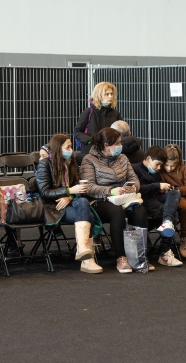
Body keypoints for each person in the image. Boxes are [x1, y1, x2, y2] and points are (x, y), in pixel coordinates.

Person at [80, 128, 149, 273]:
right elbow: (89, 187)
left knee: (140, 210)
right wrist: (110, 190)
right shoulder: (89, 160)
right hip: (99, 200)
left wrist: (133, 187)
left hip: (123, 196)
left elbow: (134, 179)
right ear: (106, 145)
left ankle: (138, 257)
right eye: (117, 143)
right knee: (117, 213)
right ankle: (121, 257)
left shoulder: (123, 158)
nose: (120, 146)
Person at [35, 133, 102, 274]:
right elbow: (45, 193)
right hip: (53, 206)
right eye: (68, 147)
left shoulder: (71, 162)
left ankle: (83, 250)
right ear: (58, 149)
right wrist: (69, 190)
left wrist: (69, 196)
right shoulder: (44, 164)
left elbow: (78, 188)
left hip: (70, 202)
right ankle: (87, 259)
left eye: (71, 146)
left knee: (83, 201)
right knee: (88, 215)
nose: (71, 149)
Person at [132, 146, 183, 267]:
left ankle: (167, 222)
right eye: (158, 164)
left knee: (175, 192)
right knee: (172, 213)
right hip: (141, 201)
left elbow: (155, 190)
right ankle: (165, 252)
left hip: (154, 199)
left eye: (161, 165)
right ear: (148, 158)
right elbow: (136, 189)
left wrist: (163, 189)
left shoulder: (155, 172)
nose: (159, 168)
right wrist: (157, 186)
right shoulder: (135, 169)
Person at [74, 82, 122, 154]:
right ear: (98, 95)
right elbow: (77, 132)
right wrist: (90, 140)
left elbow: (121, 133)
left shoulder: (115, 114)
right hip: (90, 152)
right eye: (107, 94)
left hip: (109, 153)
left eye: (111, 94)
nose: (110, 96)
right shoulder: (88, 112)